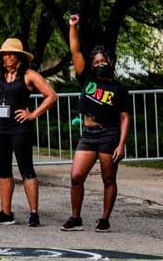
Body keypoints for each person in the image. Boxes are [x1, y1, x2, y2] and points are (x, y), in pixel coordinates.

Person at [0, 12, 58, 227]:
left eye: (12, 54)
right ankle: (6, 213)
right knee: (4, 170)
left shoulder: (29, 75)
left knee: (26, 169)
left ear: (19, 56)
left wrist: (33, 114)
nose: (8, 57)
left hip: (20, 128)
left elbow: (52, 95)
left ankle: (34, 213)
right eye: (5, 54)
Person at [61, 14, 130, 233]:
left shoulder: (119, 88)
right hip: (88, 134)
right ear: (92, 64)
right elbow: (75, 51)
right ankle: (75, 217)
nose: (100, 63)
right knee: (76, 176)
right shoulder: (87, 80)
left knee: (108, 178)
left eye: (103, 60)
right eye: (96, 61)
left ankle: (104, 218)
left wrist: (121, 144)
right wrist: (73, 27)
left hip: (109, 134)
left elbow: (125, 117)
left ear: (109, 62)